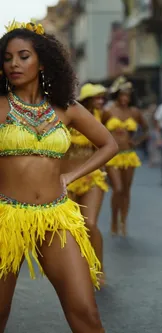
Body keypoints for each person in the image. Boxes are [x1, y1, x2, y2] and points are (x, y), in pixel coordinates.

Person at [0, 20, 118, 332]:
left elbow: (109, 144)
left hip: (55, 218)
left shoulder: (66, 109)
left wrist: (72, 175)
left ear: (42, 61)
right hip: (4, 218)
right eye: (8, 57)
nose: (14, 63)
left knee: (86, 314)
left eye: (23, 56)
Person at [62, 83, 109, 285]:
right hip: (66, 180)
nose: (100, 101)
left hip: (91, 178)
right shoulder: (65, 115)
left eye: (101, 98)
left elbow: (107, 144)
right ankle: (78, 268)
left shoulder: (100, 117)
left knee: (89, 223)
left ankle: (98, 267)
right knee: (73, 228)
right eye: (96, 98)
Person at [102, 76, 149, 237]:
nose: (124, 99)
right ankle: (114, 220)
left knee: (126, 190)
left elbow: (146, 129)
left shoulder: (134, 112)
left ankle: (123, 221)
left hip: (128, 154)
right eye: (122, 95)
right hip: (113, 155)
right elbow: (98, 130)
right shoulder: (108, 111)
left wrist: (136, 141)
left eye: (127, 96)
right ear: (117, 95)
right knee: (118, 188)